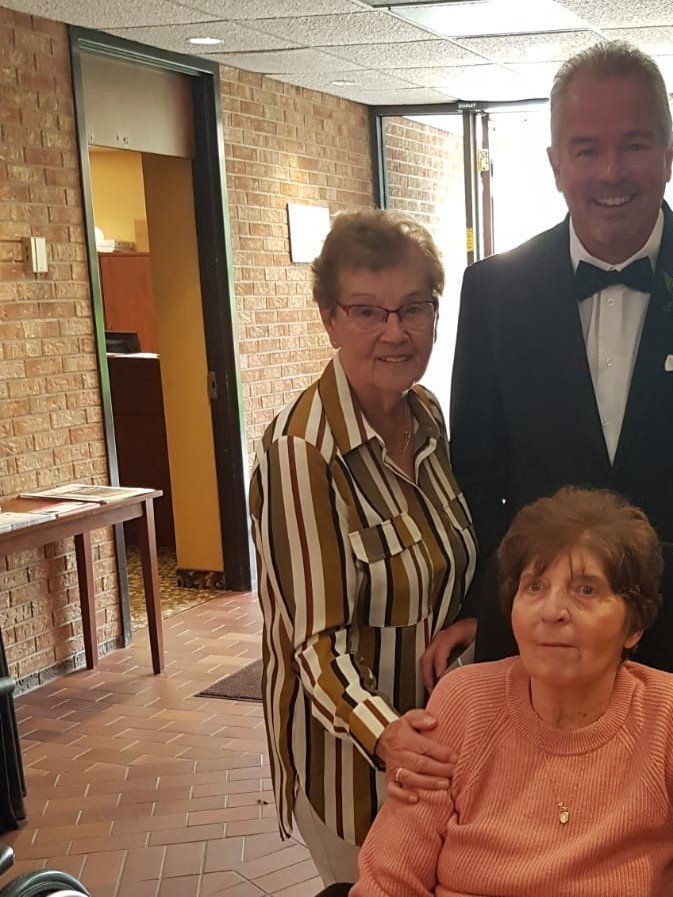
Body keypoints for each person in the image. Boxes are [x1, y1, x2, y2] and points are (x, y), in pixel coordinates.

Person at [446, 39, 673, 627]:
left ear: (668, 154)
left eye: (633, 145)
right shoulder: (492, 290)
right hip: (542, 616)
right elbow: (478, 472)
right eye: (587, 150)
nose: (611, 172)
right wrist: (489, 602)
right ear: (556, 164)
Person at [350, 488, 673, 897]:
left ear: (633, 625)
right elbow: (387, 883)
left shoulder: (672, 713)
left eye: (586, 590)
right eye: (534, 586)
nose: (551, 611)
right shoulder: (462, 701)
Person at [249, 211, 477, 885]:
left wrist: (473, 619)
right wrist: (387, 736)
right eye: (368, 311)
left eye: (413, 308)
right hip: (355, 758)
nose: (395, 331)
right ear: (329, 318)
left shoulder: (427, 414)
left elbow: (444, 563)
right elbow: (314, 643)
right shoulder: (300, 451)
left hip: (438, 738)